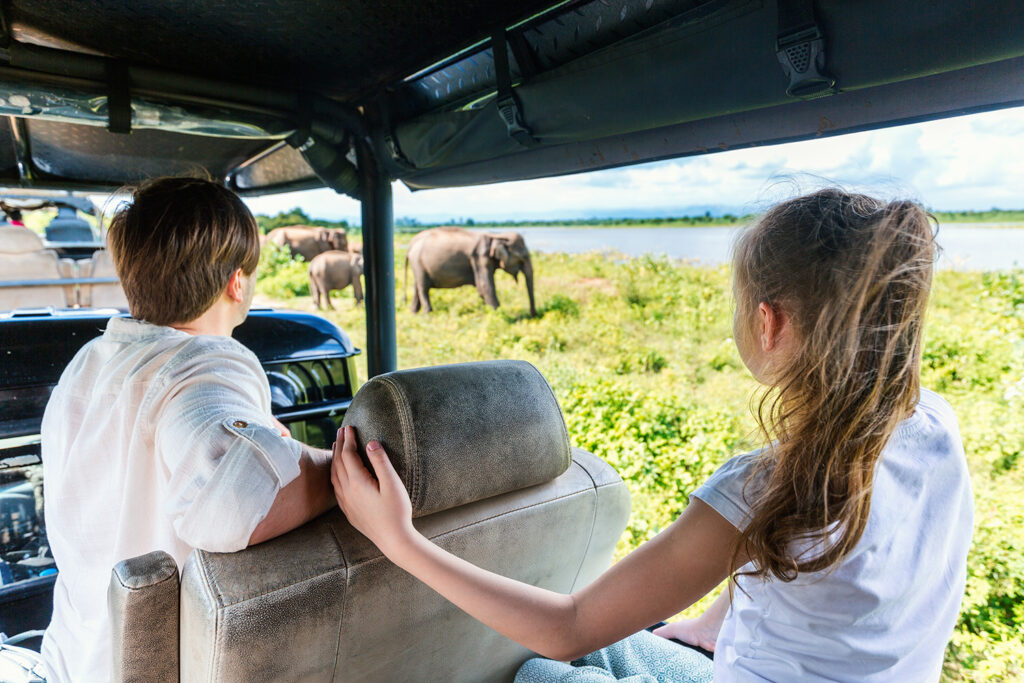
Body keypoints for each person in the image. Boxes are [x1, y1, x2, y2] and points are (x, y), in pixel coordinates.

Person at [330, 189, 973, 681]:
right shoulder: (937, 427)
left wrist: (399, 540)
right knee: (633, 640)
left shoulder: (767, 483)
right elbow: (803, 568)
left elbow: (568, 627)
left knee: (541, 673)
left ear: (768, 323)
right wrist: (706, 624)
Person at [38, 177, 334, 682]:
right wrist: (329, 467)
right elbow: (230, 507)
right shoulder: (205, 363)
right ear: (237, 282)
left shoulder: (91, 360)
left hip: (73, 657)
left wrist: (258, 448)